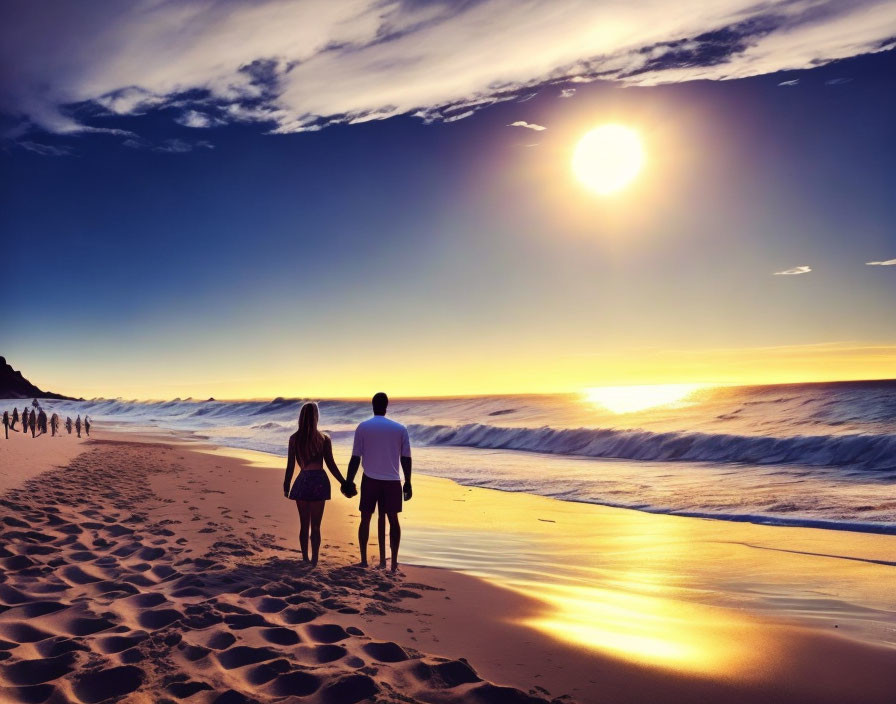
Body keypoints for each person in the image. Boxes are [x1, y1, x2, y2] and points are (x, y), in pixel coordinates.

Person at [345, 392, 412, 572]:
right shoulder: (400, 429)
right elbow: (406, 458)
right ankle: (394, 563)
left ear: (372, 405)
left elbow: (355, 458)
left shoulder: (363, 427)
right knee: (393, 520)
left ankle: (364, 560)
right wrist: (408, 482)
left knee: (365, 519)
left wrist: (348, 481)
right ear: (387, 405)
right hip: (392, 481)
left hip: (370, 480)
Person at [282, 402, 352, 567]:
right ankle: (314, 560)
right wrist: (344, 482)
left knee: (304, 524)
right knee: (316, 525)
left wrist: (286, 484)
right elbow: (331, 464)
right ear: (316, 417)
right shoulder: (323, 439)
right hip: (319, 481)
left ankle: (305, 558)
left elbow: (290, 465)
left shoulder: (294, 438)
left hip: (303, 480)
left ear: (301, 417)